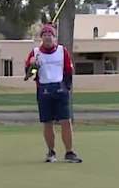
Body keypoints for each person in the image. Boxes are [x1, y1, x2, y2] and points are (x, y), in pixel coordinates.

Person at [25, 24, 83, 163]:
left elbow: (69, 71)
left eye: (50, 35)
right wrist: (33, 66)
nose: (47, 37)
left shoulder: (62, 51)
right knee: (47, 123)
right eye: (44, 35)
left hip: (60, 89)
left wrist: (66, 88)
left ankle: (69, 152)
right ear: (41, 38)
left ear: (54, 37)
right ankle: (51, 152)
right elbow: (30, 76)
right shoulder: (35, 53)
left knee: (65, 122)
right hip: (44, 90)